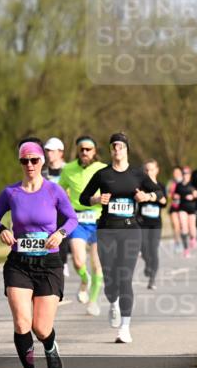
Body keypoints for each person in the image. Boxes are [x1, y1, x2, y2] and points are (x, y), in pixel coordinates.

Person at [0, 141, 77, 368]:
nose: (29, 165)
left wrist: (60, 234)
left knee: (40, 327)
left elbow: (72, 218)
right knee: (21, 323)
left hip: (48, 264)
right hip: (19, 263)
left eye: (34, 160)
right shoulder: (11, 193)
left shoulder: (54, 191)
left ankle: (50, 345)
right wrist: (1, 229)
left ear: (42, 162)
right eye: (24, 161)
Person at [79, 133, 161, 343]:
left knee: (125, 278)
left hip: (131, 231)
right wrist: (96, 198)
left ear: (127, 150)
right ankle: (113, 303)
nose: (117, 150)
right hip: (106, 230)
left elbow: (161, 194)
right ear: (110, 150)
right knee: (109, 279)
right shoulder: (103, 174)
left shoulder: (138, 174)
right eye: (114, 147)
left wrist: (147, 196)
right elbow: (83, 198)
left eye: (121, 147)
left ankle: (125, 327)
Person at [58, 135, 107, 313]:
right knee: (79, 262)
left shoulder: (103, 169)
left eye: (88, 149)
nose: (85, 152)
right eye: (82, 149)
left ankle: (92, 302)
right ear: (78, 151)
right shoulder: (68, 169)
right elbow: (60, 189)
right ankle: (85, 280)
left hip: (99, 219)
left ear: (95, 151)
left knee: (97, 264)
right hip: (77, 220)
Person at [42, 138, 71, 276]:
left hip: (64, 210)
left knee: (62, 236)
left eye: (52, 151)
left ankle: (63, 262)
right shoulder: (42, 172)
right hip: (47, 210)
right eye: (47, 151)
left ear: (60, 152)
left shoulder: (69, 170)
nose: (49, 154)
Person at [138, 160, 168, 289]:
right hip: (142, 222)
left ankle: (152, 279)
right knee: (143, 247)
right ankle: (148, 263)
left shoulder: (160, 185)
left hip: (155, 223)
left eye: (151, 169)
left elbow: (164, 202)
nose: (149, 172)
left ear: (157, 170)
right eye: (146, 170)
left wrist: (151, 196)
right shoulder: (140, 186)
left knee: (153, 249)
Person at [167, 166, 186, 253]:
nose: (176, 174)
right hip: (174, 206)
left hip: (184, 206)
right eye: (174, 173)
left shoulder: (185, 181)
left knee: (183, 226)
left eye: (178, 172)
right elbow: (167, 195)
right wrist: (172, 195)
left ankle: (185, 242)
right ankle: (177, 243)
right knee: (176, 225)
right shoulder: (171, 183)